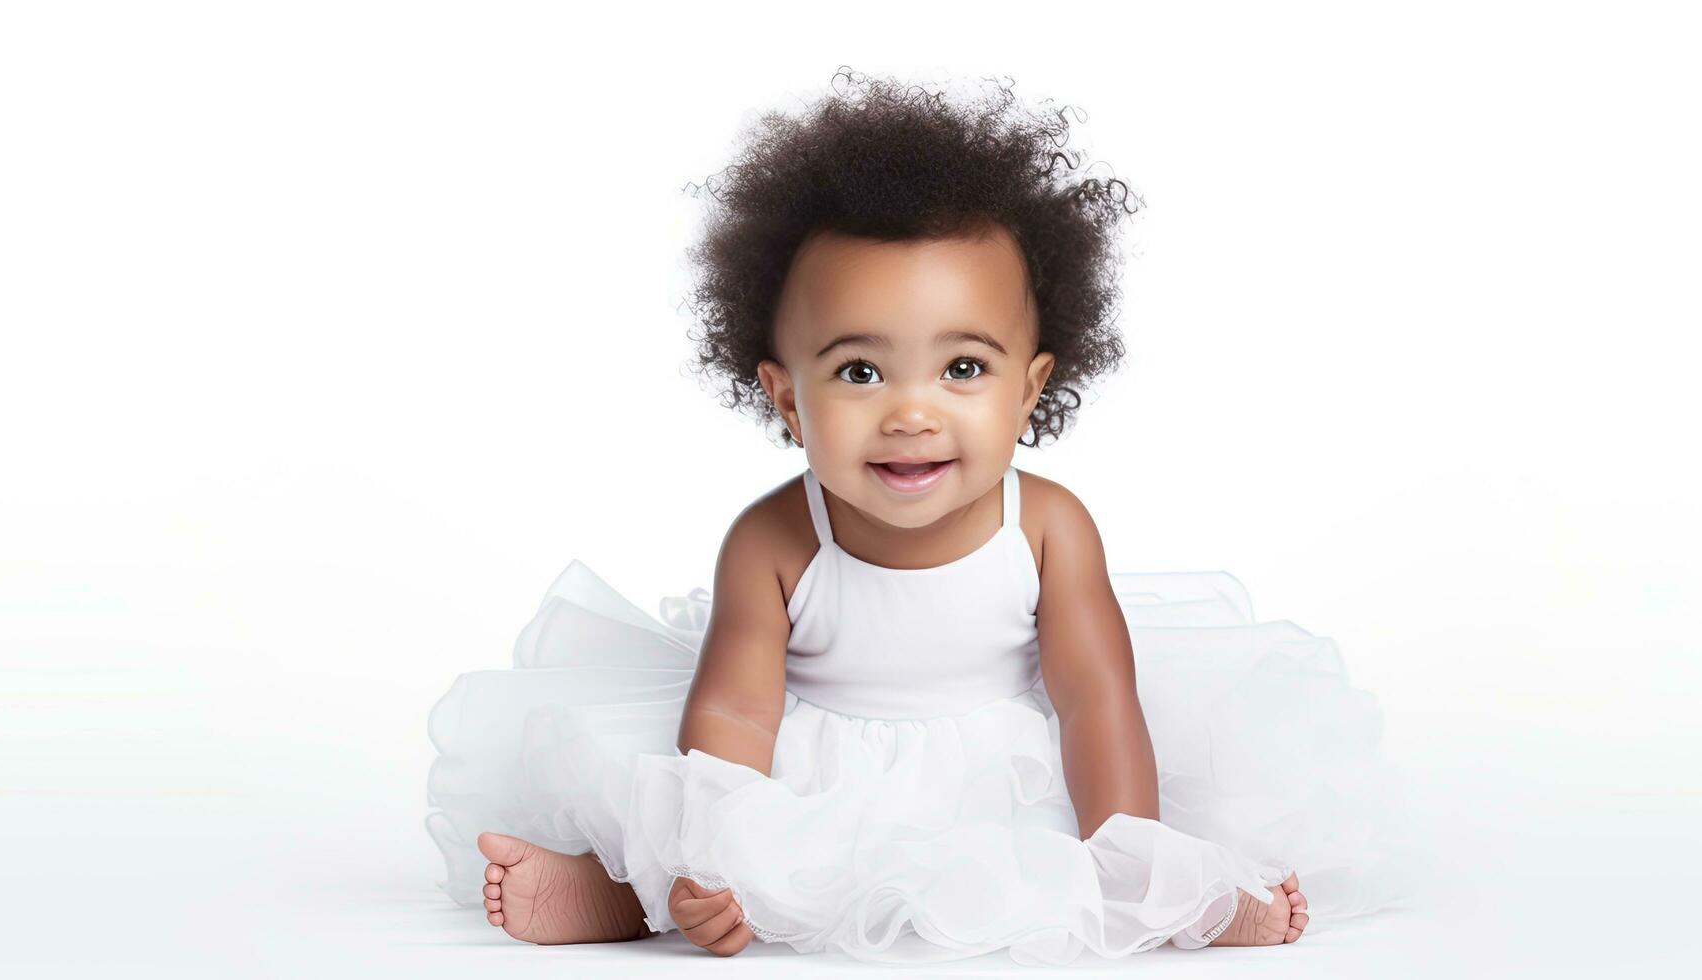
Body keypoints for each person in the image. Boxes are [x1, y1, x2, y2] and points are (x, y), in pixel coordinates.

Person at [422, 68, 1418, 965]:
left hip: (1008, 767)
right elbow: (730, 713)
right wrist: (709, 852)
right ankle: (620, 894)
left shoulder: (1048, 526)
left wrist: (1131, 852)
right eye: (859, 369)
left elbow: (1093, 698)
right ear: (782, 396)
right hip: (810, 769)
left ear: (1029, 390)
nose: (910, 410)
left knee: (1096, 855)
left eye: (961, 367)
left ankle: (1186, 897)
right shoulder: (773, 538)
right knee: (718, 863)